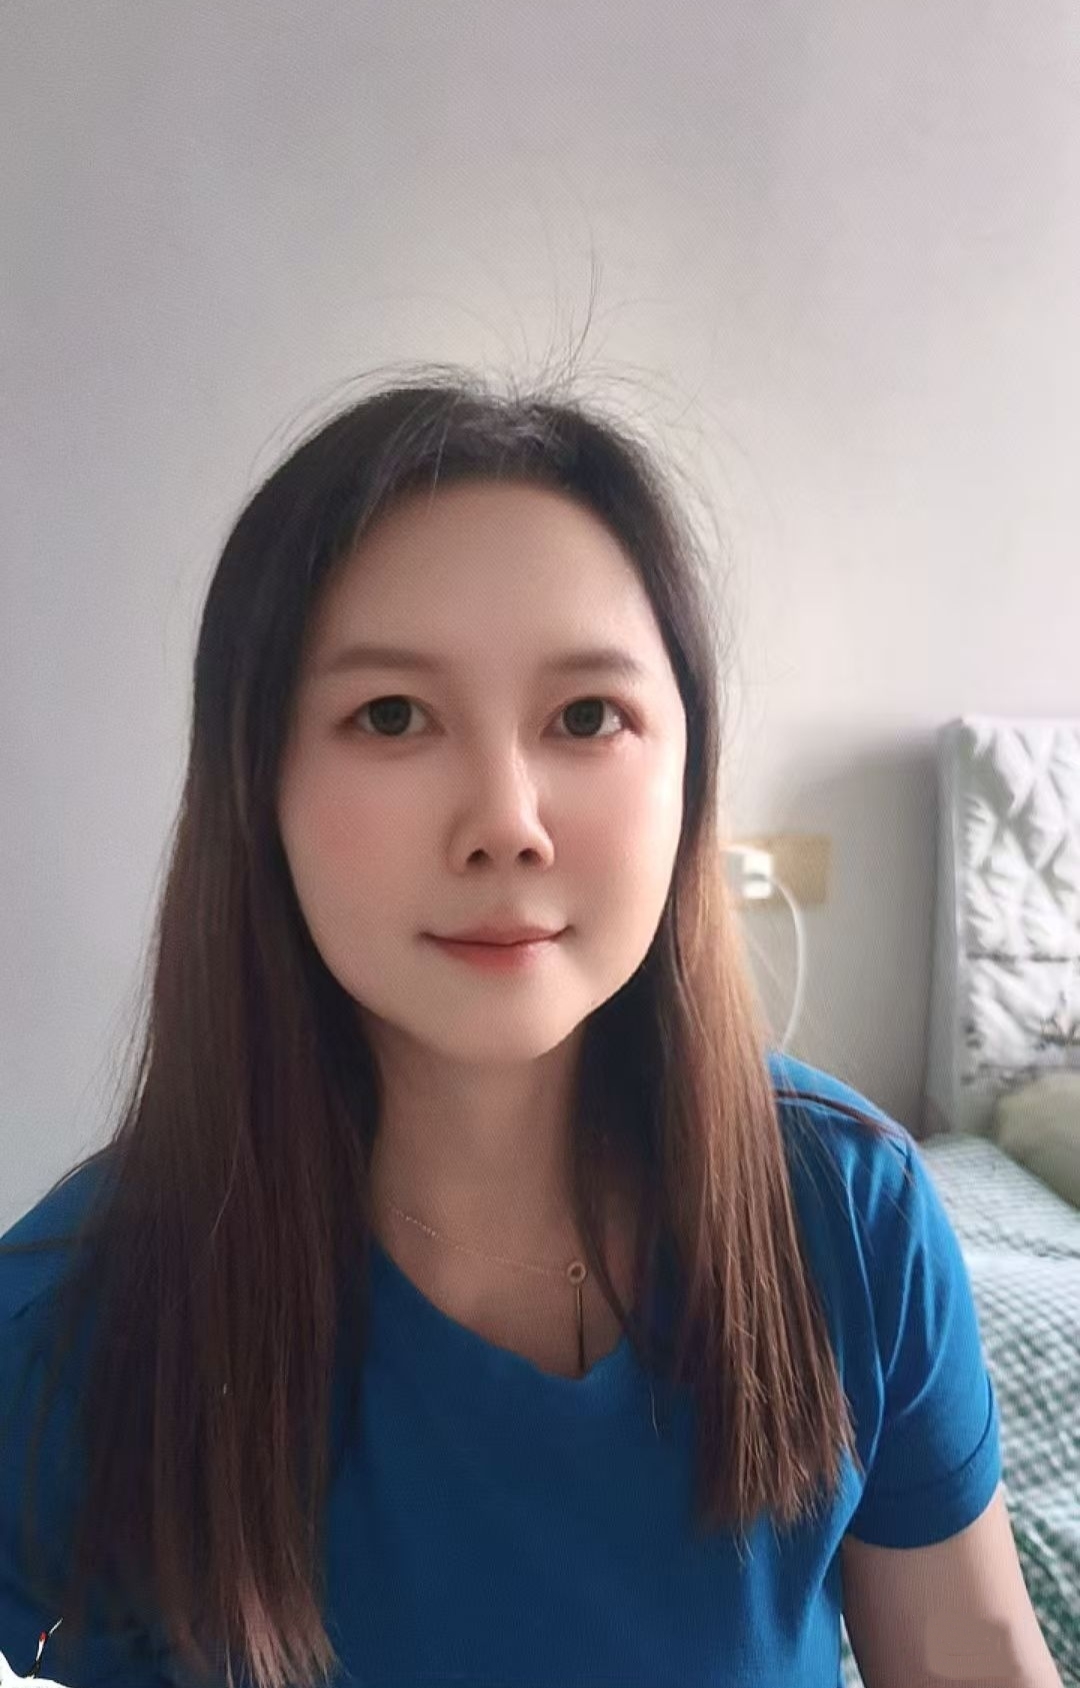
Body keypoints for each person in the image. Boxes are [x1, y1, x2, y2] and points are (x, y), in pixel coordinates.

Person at [0, 366, 1057, 1688]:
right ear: (256, 785)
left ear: (689, 770)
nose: (507, 820)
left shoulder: (846, 1213)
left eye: (587, 717)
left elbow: (973, 1654)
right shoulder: (69, 1323)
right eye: (392, 716)